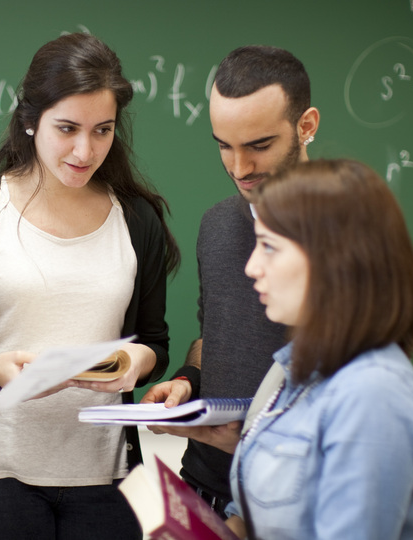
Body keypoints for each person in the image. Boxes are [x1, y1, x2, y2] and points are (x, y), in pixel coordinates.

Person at [0, 32, 180, 540]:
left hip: (109, 482)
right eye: (67, 129)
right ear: (30, 121)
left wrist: (135, 365)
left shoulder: (137, 220)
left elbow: (154, 344)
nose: (85, 149)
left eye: (103, 130)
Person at [140, 45, 320, 517]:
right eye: (224, 145)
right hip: (202, 487)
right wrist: (188, 380)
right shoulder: (217, 223)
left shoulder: (345, 229)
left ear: (306, 126)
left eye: (259, 145)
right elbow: (214, 332)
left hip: (289, 497)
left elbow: (359, 369)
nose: (239, 168)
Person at [226, 158, 413, 539]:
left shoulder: (372, 393)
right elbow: (248, 516)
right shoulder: (293, 369)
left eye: (269, 247)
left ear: (333, 259)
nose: (252, 267)